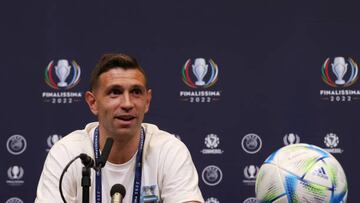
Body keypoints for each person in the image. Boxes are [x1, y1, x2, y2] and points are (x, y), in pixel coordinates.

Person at [35, 53, 204, 203]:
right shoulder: (67, 153)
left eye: (136, 92)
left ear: (147, 101)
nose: (127, 104)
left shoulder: (169, 150)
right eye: (115, 92)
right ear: (93, 102)